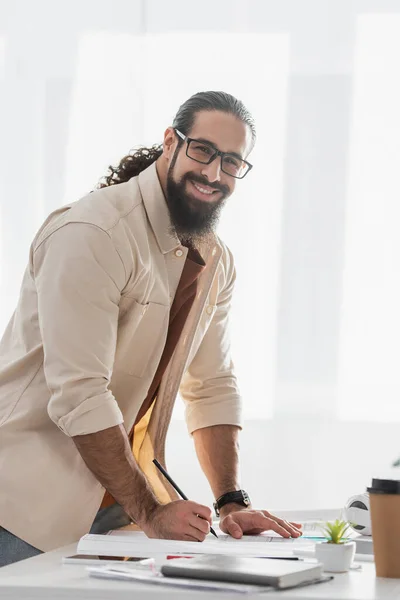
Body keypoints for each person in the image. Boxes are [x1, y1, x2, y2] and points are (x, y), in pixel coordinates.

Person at [0, 91, 302, 568]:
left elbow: (213, 385)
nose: (213, 173)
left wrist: (232, 502)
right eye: (202, 150)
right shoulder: (93, 234)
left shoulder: (214, 257)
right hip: (22, 507)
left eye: (231, 162)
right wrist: (152, 512)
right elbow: (80, 393)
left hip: (114, 505)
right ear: (170, 142)